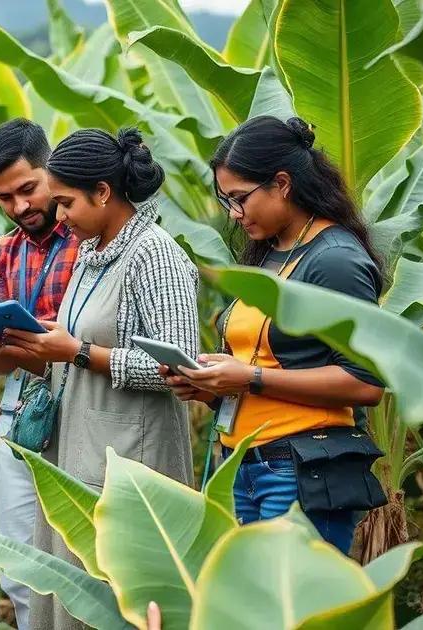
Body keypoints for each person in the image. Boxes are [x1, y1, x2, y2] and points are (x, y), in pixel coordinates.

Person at [3, 127, 199, 630]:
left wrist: (79, 352)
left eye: (66, 203)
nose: (59, 216)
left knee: (122, 596)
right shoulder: (92, 253)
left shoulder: (155, 255)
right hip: (80, 447)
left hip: (133, 459)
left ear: (104, 192)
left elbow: (179, 367)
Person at [163, 116, 386, 554]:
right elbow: (263, 366)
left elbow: (366, 383)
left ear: (282, 184)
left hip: (300, 471)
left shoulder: (334, 260)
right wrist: (208, 386)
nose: (234, 213)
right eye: (227, 200)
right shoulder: (270, 254)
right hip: (244, 467)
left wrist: (249, 378)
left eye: (240, 198)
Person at [0, 118, 79, 630]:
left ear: (50, 169)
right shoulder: (1, 252)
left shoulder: (89, 239)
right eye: (4, 197)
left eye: (28, 189)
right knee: (18, 557)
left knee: (78, 552)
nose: (18, 207)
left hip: (80, 402)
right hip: (21, 403)